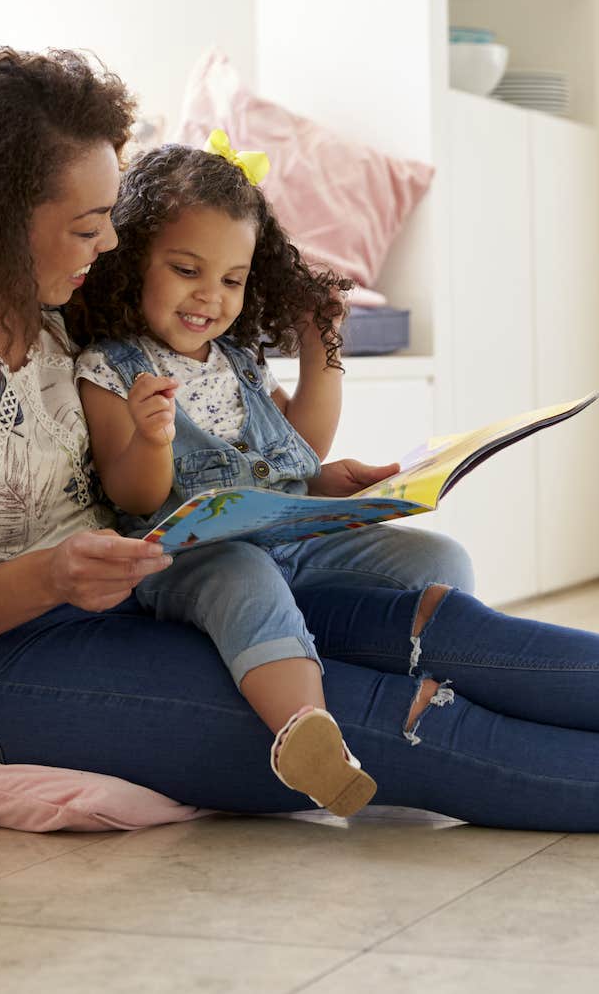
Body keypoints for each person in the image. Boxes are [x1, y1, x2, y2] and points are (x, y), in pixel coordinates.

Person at [0, 45, 599, 833]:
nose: (111, 244)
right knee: (399, 722)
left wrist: (312, 493)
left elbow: (202, 431)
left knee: (449, 631)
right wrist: (51, 575)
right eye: (89, 226)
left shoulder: (66, 335)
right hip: (13, 667)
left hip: (162, 596)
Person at [70, 135, 383, 816]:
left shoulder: (236, 360)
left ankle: (391, 653)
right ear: (130, 262)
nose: (210, 297)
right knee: (242, 574)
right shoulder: (111, 367)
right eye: (187, 269)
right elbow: (134, 496)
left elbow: (294, 446)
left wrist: (319, 348)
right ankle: (307, 735)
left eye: (232, 280)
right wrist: (152, 438)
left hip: (283, 537)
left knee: (428, 554)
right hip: (185, 561)